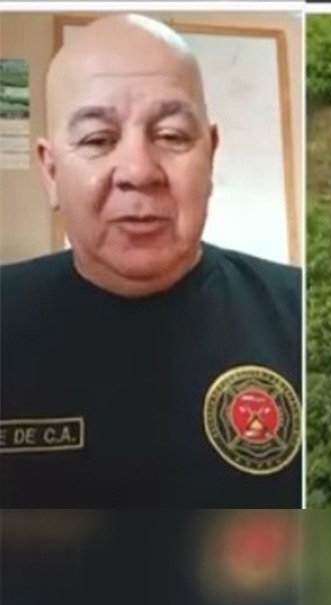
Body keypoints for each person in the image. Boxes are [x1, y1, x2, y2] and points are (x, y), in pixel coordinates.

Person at [0, 15, 302, 507]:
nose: (139, 172)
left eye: (172, 136)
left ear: (211, 155)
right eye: (98, 140)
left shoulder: (299, 314)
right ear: (51, 170)